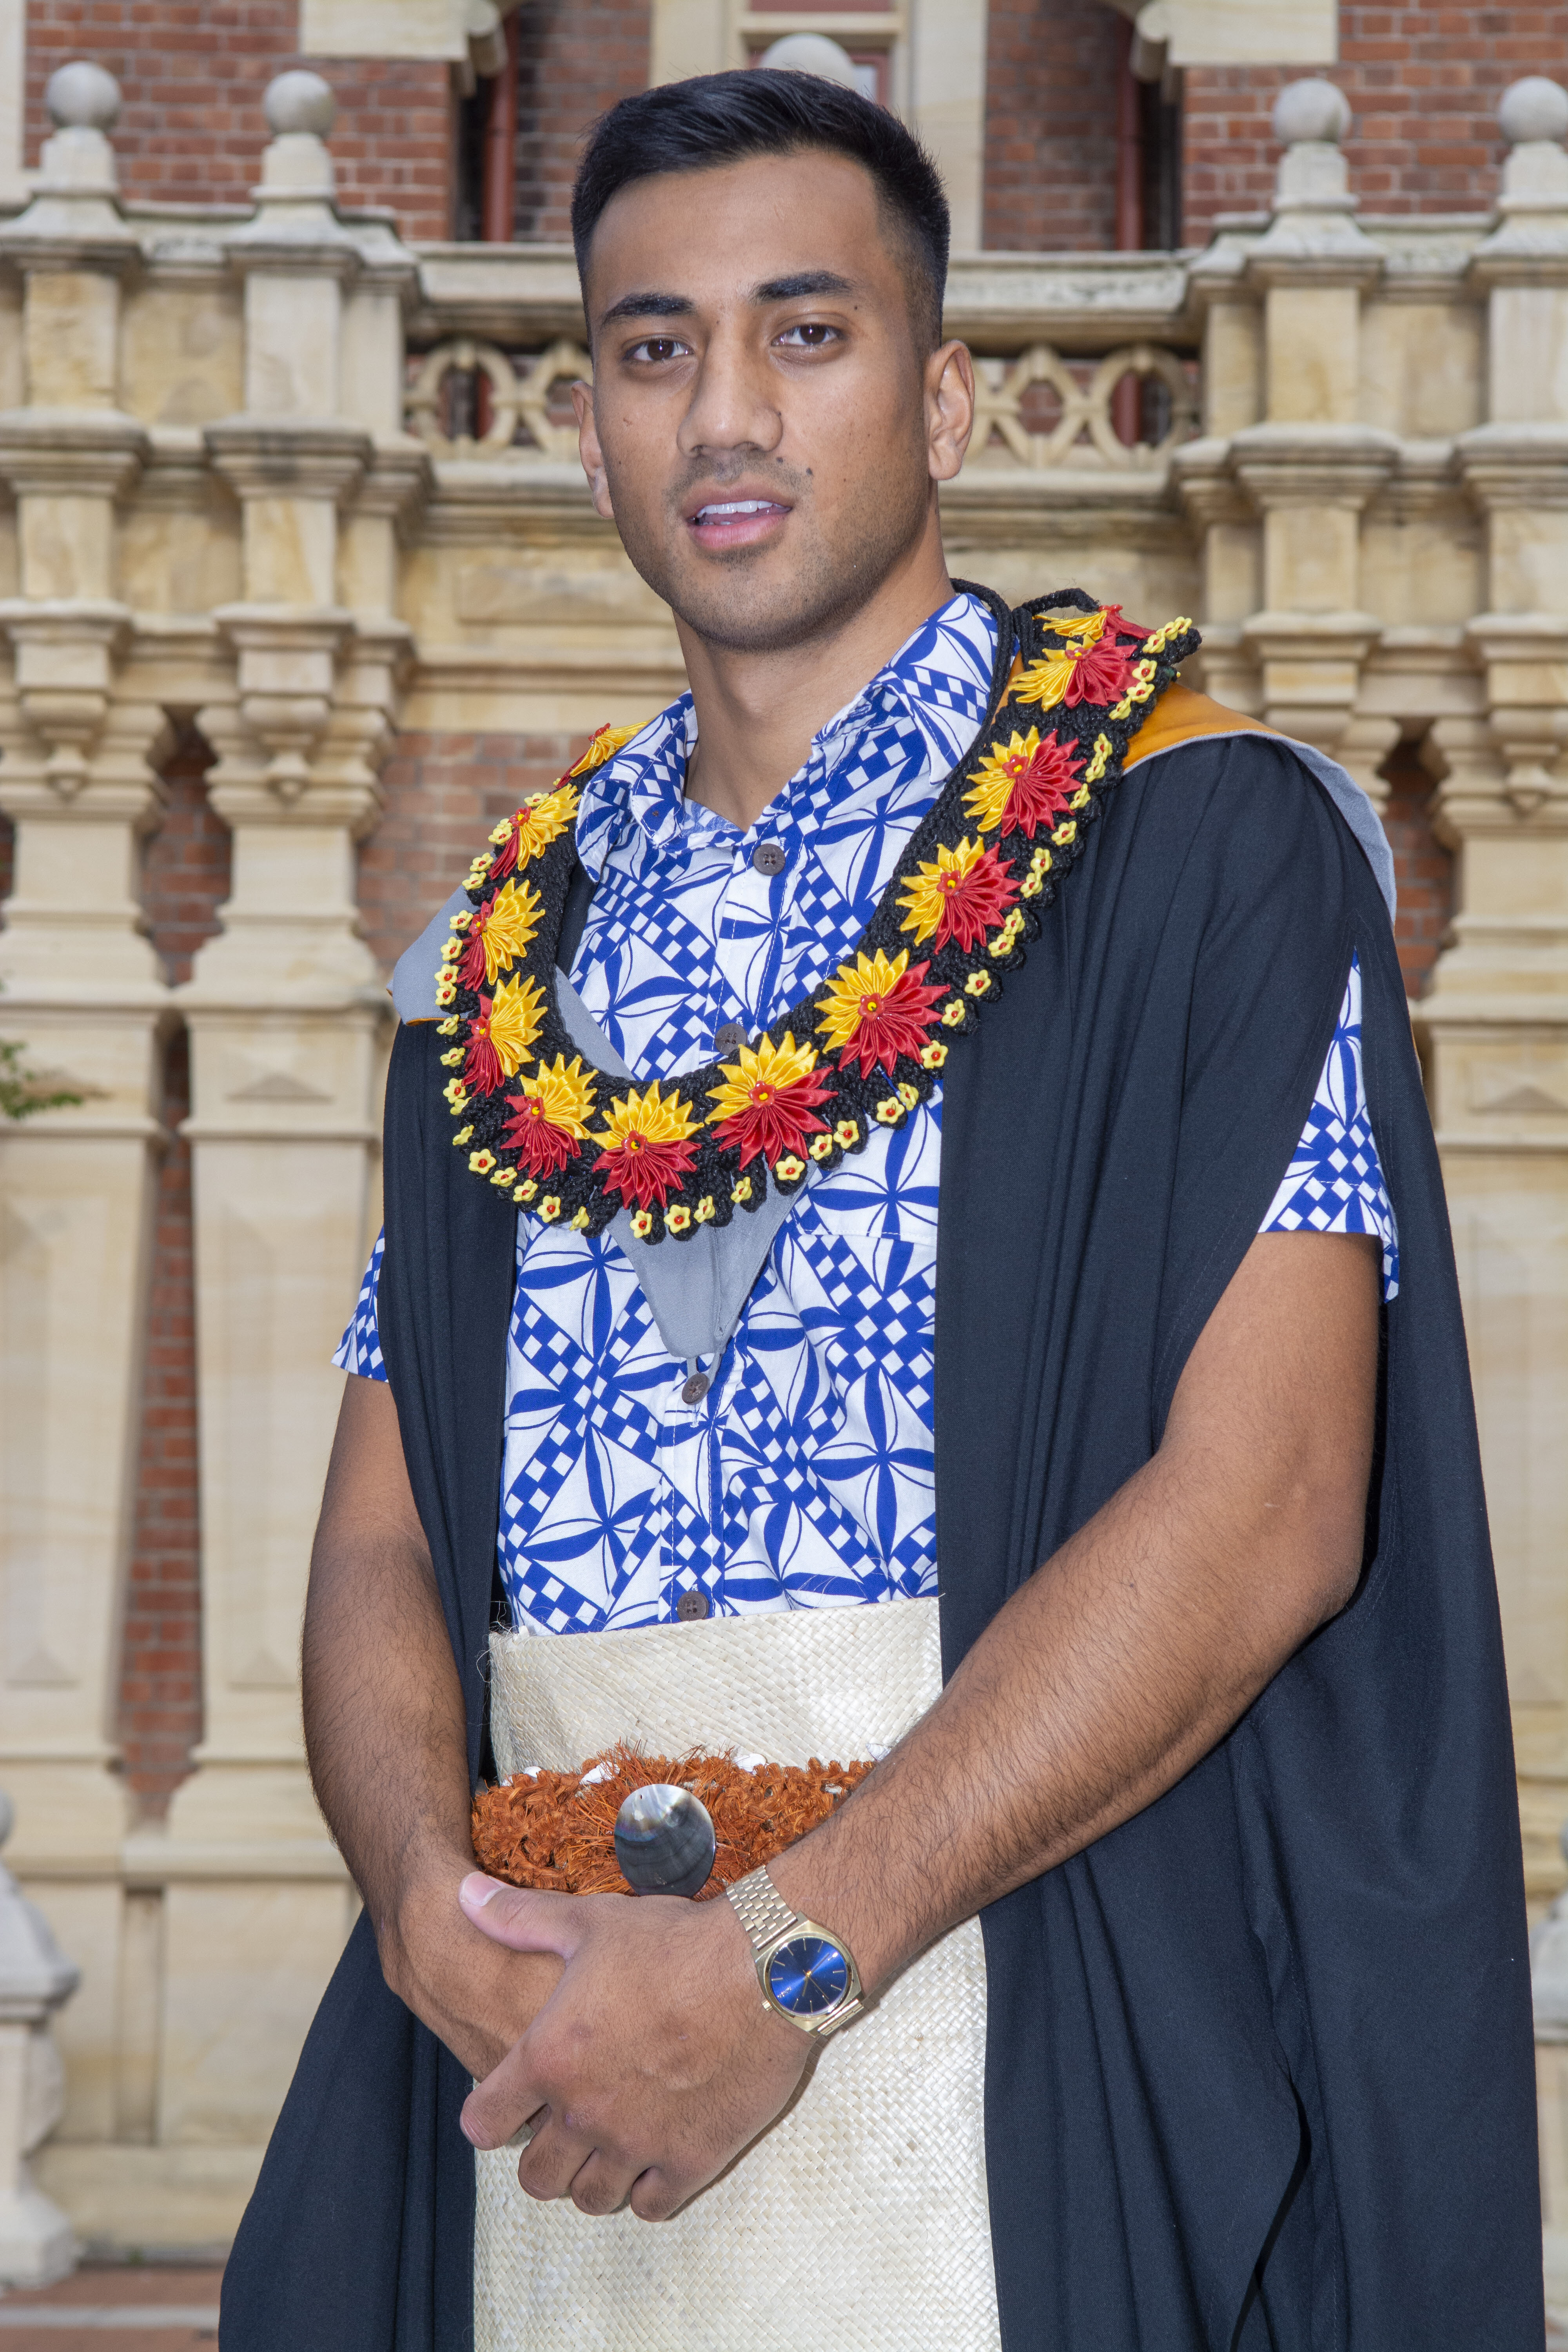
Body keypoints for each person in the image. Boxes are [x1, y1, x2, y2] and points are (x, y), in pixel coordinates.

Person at [221, 67, 1541, 2352]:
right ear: (590, 429)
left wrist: (784, 1957)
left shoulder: (1200, 849)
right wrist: (429, 1902)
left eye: (806, 333)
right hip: (545, 2078)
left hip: (1028, 2031)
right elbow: (379, 1539)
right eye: (654, 348)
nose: (725, 411)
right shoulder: (500, 957)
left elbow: (1271, 1506)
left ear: (943, 399)